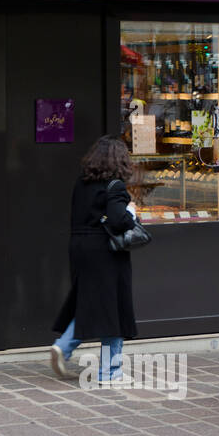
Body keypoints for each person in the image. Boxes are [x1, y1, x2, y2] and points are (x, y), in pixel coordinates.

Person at [50, 136, 139, 385]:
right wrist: (131, 213)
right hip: (105, 251)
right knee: (114, 308)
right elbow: (118, 220)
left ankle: (64, 345)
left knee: (91, 302)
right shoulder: (116, 185)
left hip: (79, 247)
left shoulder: (82, 182)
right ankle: (110, 372)